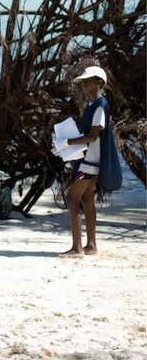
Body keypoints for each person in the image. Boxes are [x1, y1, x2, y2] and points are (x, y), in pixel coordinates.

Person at [60, 65, 120, 259]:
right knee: (86, 200)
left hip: (88, 161)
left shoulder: (100, 106)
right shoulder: (92, 105)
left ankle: (77, 249)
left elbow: (93, 136)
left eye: (88, 80)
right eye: (83, 81)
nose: (84, 84)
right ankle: (91, 245)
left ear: (99, 83)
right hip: (90, 160)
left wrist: (67, 142)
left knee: (71, 198)